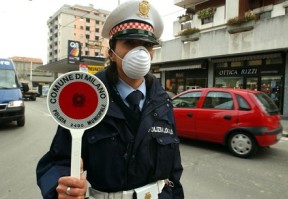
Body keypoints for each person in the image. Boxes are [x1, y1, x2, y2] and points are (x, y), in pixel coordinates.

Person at [36, 0, 184, 198]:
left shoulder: (162, 101)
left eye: (147, 45)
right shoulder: (88, 96)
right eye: (129, 43)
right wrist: (63, 186)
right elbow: (57, 161)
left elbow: (174, 171)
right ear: (111, 53)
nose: (139, 53)